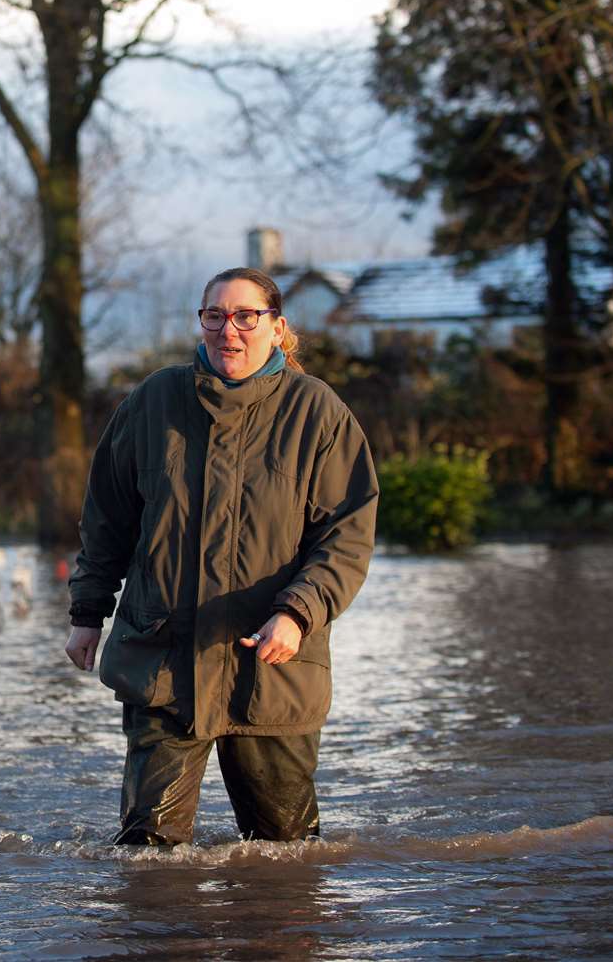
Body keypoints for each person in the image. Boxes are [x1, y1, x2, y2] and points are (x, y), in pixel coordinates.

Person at [62, 267, 377, 845]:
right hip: (163, 665)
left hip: (274, 672)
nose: (228, 330)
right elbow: (107, 519)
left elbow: (347, 538)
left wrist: (298, 612)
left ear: (277, 328)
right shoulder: (154, 401)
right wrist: (88, 614)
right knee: (146, 860)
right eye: (214, 315)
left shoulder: (318, 412)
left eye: (245, 316)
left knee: (286, 860)